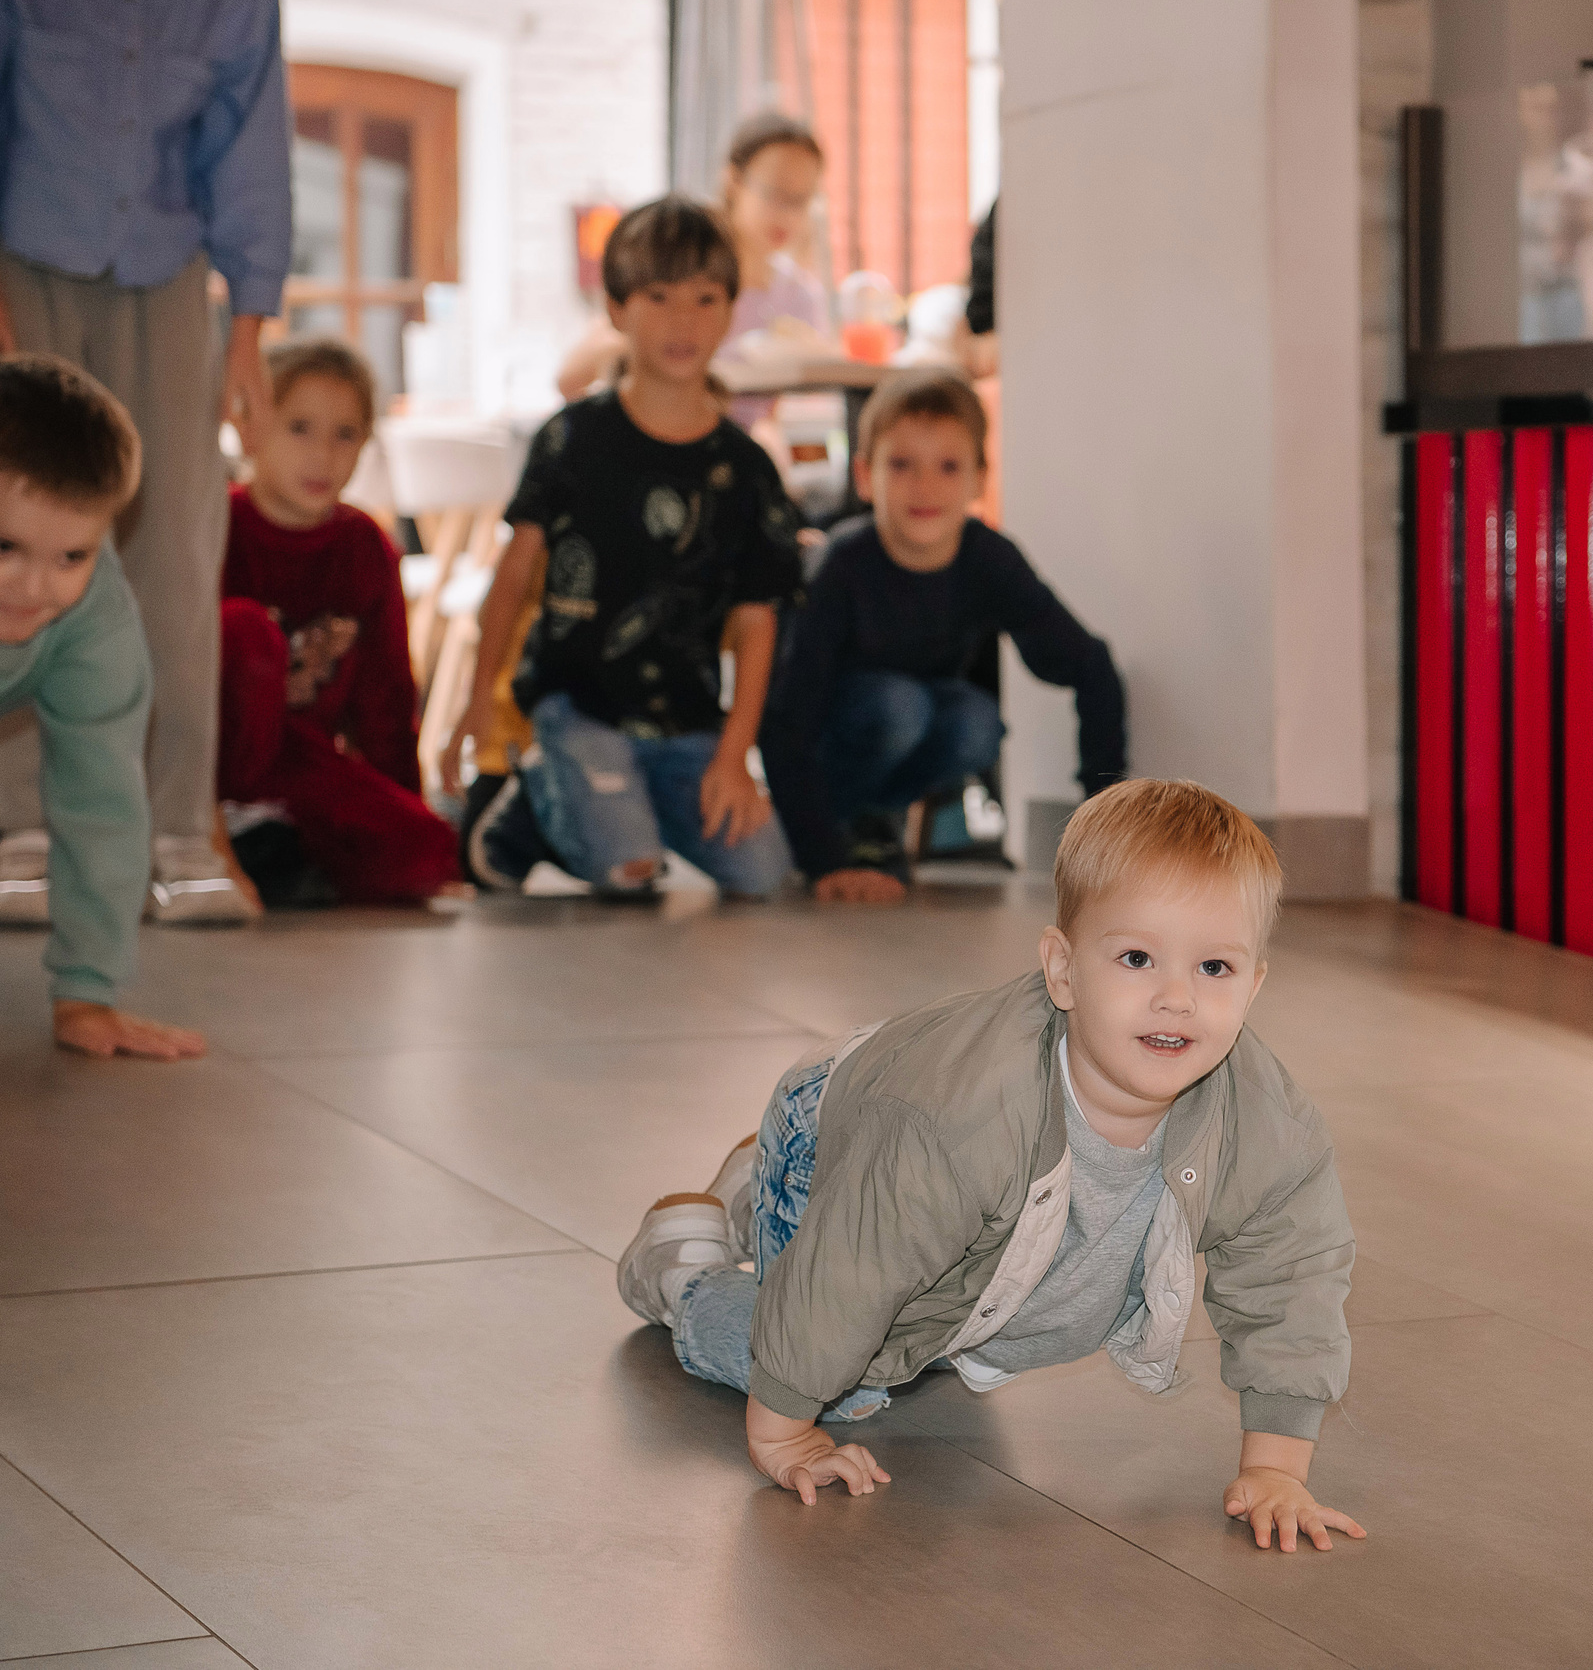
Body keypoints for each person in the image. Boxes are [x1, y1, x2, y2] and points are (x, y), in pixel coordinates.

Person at [618, 778, 1366, 1552]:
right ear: (1063, 970)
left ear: (1255, 984)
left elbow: (1292, 1273)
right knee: (859, 1374)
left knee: (936, 1312)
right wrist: (783, 1433)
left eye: (1215, 968)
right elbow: (845, 1277)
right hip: (848, 1134)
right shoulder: (961, 1121)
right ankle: (688, 1265)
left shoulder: (1266, 1121)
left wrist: (1278, 1464)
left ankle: (773, 1182)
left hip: (897, 1135)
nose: (1177, 997)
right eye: (1138, 957)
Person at [0, 0, 290, 929]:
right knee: (13, 546)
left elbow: (252, 147)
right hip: (22, 271)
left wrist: (249, 330)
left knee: (178, 554)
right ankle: (24, 830)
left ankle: (176, 827)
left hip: (168, 282)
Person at [443, 198, 799, 900]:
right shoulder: (572, 438)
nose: (683, 320)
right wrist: (478, 698)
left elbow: (759, 621)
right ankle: (532, 813)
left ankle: (623, 806)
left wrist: (735, 757)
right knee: (628, 874)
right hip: (578, 708)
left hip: (687, 724)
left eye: (705, 299)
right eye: (657, 297)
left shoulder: (747, 468)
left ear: (731, 310)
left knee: (763, 872)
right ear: (614, 309)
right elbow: (513, 576)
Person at [760, 367, 1124, 901]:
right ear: (865, 477)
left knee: (976, 722)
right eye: (901, 465)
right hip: (827, 746)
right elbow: (787, 722)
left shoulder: (988, 559)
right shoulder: (840, 566)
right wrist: (822, 862)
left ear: (980, 479)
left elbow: (1091, 664)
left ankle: (874, 822)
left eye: (948, 467)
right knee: (901, 706)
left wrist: (1108, 828)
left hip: (910, 721)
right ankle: (837, 829)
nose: (925, 486)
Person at [0, 357, 207, 1060]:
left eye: (72, 554)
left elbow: (101, 801)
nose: (34, 586)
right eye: (0, 546)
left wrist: (87, 992)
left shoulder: (93, 623)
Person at [219, 337, 456, 905]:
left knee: (430, 852)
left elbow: (388, 699)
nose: (322, 455)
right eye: (299, 428)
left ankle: (284, 853)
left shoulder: (365, 546)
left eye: (345, 435)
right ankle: (237, 838)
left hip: (304, 767)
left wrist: (403, 807)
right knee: (246, 631)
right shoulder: (219, 524)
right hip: (213, 766)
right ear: (251, 426)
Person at [556, 114, 835, 432]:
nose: (787, 213)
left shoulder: (798, 295)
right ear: (734, 181)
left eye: (800, 200)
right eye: (775, 193)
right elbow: (571, 378)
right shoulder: (679, 268)